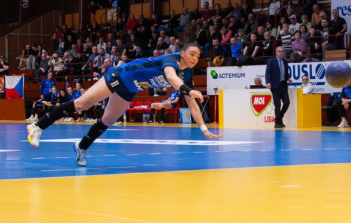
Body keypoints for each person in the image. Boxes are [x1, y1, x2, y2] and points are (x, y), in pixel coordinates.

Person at [27, 43, 220, 166]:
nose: (195, 59)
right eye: (192, 54)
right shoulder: (172, 59)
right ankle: (37, 126)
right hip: (120, 76)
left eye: (198, 56)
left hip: (130, 88)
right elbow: (170, 76)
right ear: (182, 53)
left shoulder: (187, 74)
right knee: (82, 104)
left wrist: (203, 128)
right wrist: (187, 89)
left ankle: (81, 146)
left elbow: (192, 102)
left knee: (108, 120)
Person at [265, 46, 291, 128]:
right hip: (275, 85)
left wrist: (288, 78)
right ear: (276, 52)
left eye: (282, 51)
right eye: (279, 51)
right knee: (277, 105)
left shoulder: (285, 61)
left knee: (286, 102)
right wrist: (268, 82)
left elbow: (285, 72)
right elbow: (267, 73)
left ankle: (278, 118)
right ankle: (278, 123)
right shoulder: (271, 61)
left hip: (283, 84)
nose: (281, 53)